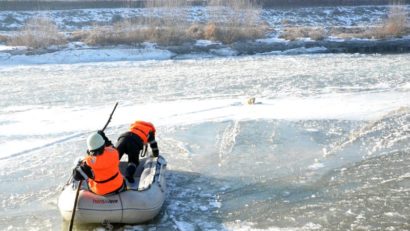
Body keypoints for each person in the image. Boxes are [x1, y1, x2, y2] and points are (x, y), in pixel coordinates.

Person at [73, 131, 125, 195]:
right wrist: (104, 138)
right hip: (118, 186)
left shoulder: (87, 163)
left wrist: (79, 165)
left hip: (101, 191)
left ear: (90, 149)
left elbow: (76, 176)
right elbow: (109, 146)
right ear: (103, 145)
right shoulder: (114, 152)